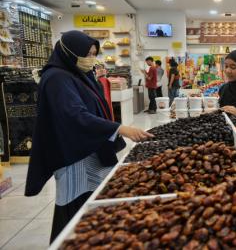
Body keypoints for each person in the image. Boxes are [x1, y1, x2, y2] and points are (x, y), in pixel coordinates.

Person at [24, 30, 153, 244]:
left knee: (93, 202)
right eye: (87, 53)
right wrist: (121, 129)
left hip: (89, 148)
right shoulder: (56, 78)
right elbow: (74, 116)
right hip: (72, 153)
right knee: (74, 205)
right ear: (69, 52)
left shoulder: (77, 74)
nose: (91, 58)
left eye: (94, 53)